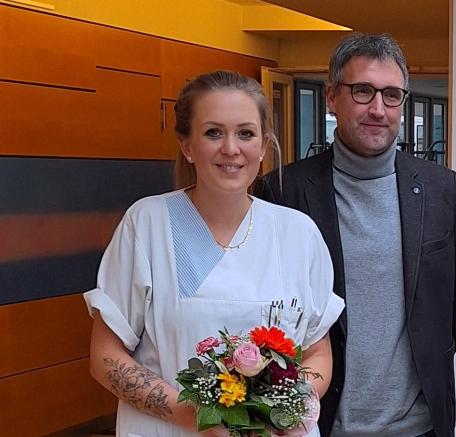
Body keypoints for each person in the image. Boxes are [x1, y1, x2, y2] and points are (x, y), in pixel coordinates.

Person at [85, 70, 344, 436]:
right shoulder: (148, 224)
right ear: (187, 145)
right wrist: (196, 416)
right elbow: (105, 359)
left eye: (245, 133)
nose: (231, 148)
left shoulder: (298, 234)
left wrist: (282, 410)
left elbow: (318, 352)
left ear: (264, 145)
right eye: (213, 133)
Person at [254, 33, 456, 437]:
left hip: (420, 428)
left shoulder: (442, 190)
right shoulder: (283, 192)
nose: (378, 109)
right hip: (315, 424)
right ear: (331, 97)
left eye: (392, 95)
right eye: (363, 91)